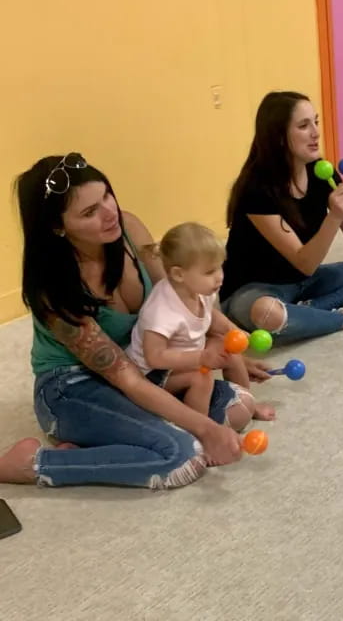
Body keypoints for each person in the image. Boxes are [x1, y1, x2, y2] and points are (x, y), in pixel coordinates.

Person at [0, 154, 263, 488]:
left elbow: (180, 295)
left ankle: (104, 440)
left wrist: (231, 344)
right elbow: (127, 381)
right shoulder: (54, 290)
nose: (110, 213)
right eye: (89, 212)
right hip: (72, 386)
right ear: (58, 227)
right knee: (181, 455)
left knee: (239, 407)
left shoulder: (129, 228)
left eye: (106, 195)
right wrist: (205, 428)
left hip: (139, 364)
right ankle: (31, 464)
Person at [220, 91, 343, 343]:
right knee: (268, 315)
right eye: (303, 125)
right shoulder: (257, 189)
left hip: (304, 282)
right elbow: (304, 262)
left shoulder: (320, 172)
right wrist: (334, 218)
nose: (316, 132)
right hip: (255, 291)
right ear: (278, 137)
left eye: (315, 122)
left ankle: (310, 311)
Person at [126, 222, 275, 421]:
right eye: (209, 272)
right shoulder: (161, 311)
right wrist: (201, 358)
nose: (219, 277)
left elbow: (210, 315)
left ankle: (248, 401)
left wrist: (234, 331)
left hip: (184, 357)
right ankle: (199, 429)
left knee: (228, 348)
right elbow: (155, 356)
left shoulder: (199, 289)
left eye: (220, 268)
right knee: (201, 379)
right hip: (151, 374)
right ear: (178, 274)